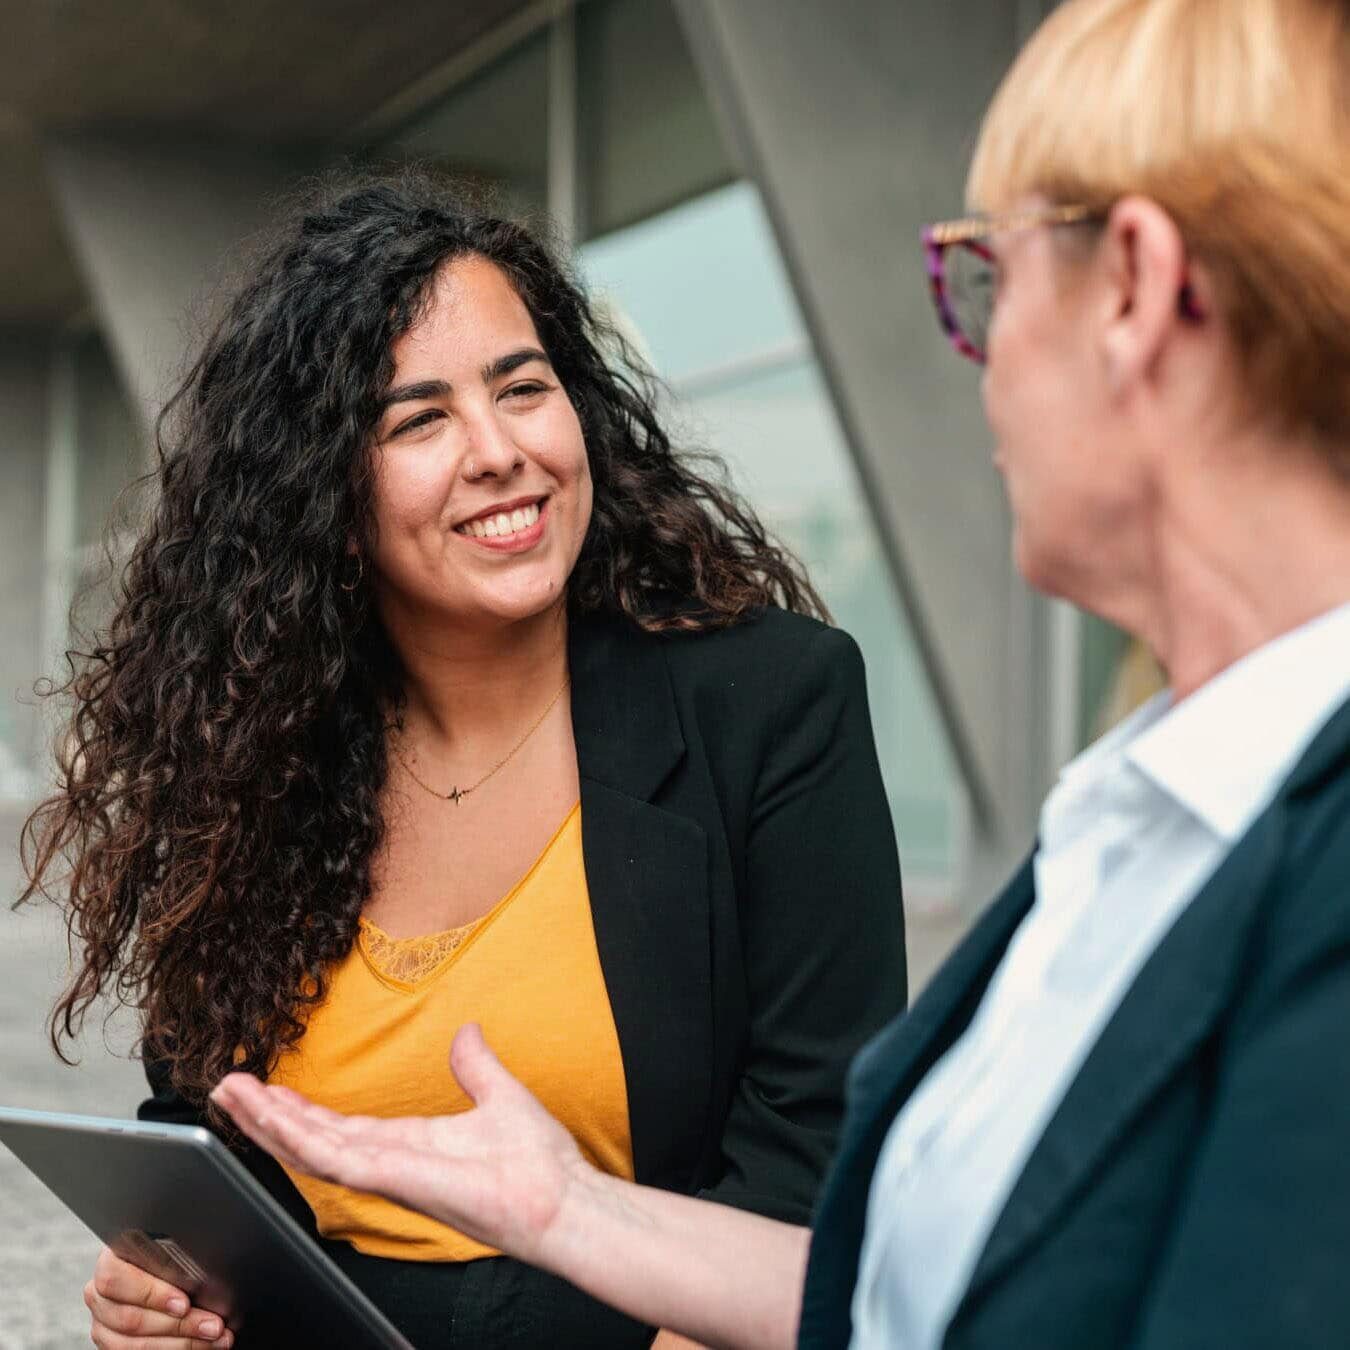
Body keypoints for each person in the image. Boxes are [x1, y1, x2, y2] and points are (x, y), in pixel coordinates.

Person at [217, 0, 1350, 1346]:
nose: (970, 358)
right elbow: (902, 1288)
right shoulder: (1141, 806)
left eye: (983, 281)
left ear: (1136, 292)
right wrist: (576, 1212)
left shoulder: (1279, 846)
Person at [19, 173, 907, 1349]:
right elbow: (206, 1134)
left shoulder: (769, 700)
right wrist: (167, 1297)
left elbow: (815, 1149)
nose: (499, 451)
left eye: (523, 388)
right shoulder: (252, 756)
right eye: (419, 419)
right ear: (323, 496)